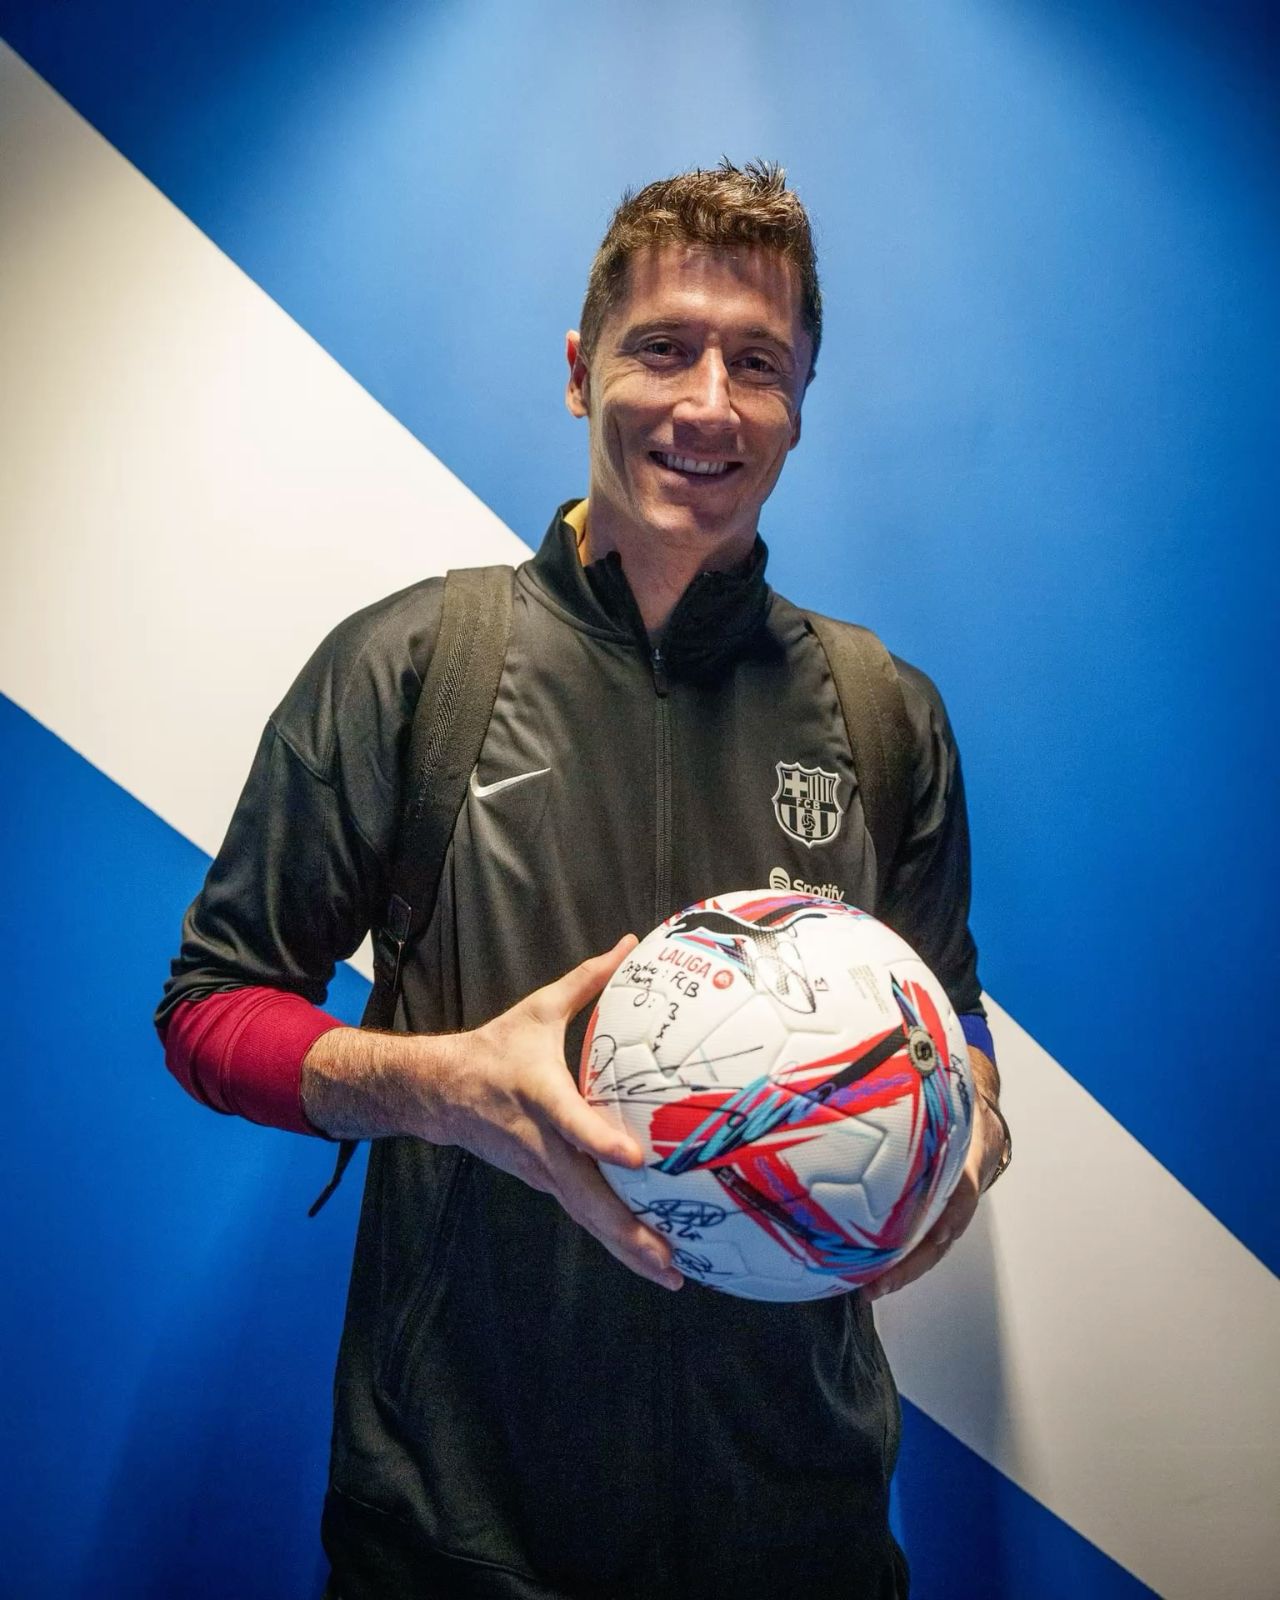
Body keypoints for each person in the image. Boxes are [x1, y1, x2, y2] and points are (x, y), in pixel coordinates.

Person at [157, 160, 1010, 1600]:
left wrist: (967, 1137)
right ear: (578, 371)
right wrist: (440, 1085)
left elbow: (957, 1017)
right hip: (456, 1539)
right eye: (662, 348)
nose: (708, 405)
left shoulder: (883, 713)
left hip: (801, 1540)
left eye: (759, 363)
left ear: (803, 399)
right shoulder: (415, 670)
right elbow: (209, 1011)